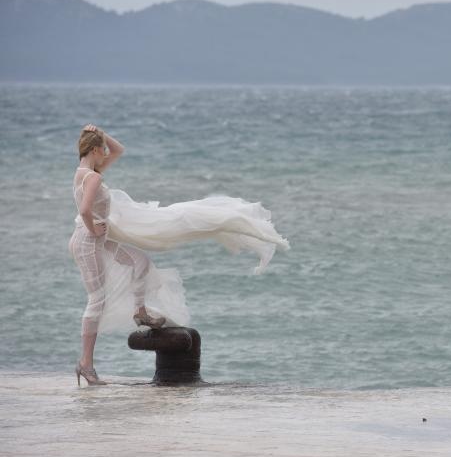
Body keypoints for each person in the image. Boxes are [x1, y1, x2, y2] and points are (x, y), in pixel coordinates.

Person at [70, 125, 289, 386]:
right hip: (88, 242)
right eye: (102, 149)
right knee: (96, 300)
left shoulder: (85, 173)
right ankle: (86, 364)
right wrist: (94, 227)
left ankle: (140, 312)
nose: (106, 152)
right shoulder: (93, 177)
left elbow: (119, 150)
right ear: (95, 150)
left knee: (140, 262)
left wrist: (101, 133)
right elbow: (85, 209)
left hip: (97, 240)